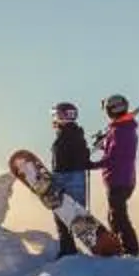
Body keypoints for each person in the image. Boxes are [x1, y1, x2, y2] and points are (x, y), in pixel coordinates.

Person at [94, 93, 139, 257]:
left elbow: (113, 158)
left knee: (119, 217)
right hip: (123, 178)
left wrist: (91, 164)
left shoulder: (121, 131)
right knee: (115, 216)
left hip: (119, 179)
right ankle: (119, 247)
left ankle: (130, 250)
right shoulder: (122, 129)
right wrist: (104, 144)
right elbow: (116, 151)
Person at [48, 104, 94, 257]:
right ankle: (68, 248)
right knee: (70, 214)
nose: (64, 118)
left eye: (68, 115)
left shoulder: (68, 134)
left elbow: (69, 158)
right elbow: (83, 155)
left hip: (67, 177)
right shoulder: (75, 133)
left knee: (63, 214)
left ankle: (67, 250)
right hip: (75, 176)